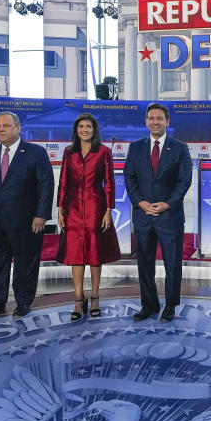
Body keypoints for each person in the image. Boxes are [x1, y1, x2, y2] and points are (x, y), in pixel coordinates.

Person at [0, 111, 54, 318]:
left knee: (25, 263)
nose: (1, 129)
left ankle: (23, 302)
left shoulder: (35, 152)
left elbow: (46, 186)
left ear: (18, 128)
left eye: (6, 125)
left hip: (27, 221)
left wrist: (41, 215)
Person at [124, 103, 193, 322]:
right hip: (143, 216)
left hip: (169, 215)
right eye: (151, 118)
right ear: (146, 121)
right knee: (144, 264)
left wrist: (168, 204)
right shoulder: (135, 148)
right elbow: (129, 178)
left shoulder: (180, 147)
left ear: (167, 122)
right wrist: (140, 202)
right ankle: (149, 305)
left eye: (160, 118)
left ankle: (170, 305)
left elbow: (184, 181)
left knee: (172, 264)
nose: (155, 122)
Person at [56, 114, 121, 320]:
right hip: (72, 208)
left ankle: (94, 296)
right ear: (76, 130)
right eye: (81, 126)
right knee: (75, 254)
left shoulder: (104, 152)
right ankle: (78, 299)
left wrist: (108, 210)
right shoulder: (69, 152)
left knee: (94, 253)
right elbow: (63, 182)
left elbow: (110, 183)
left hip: (96, 207)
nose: (85, 130)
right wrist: (59, 208)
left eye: (89, 126)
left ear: (94, 130)